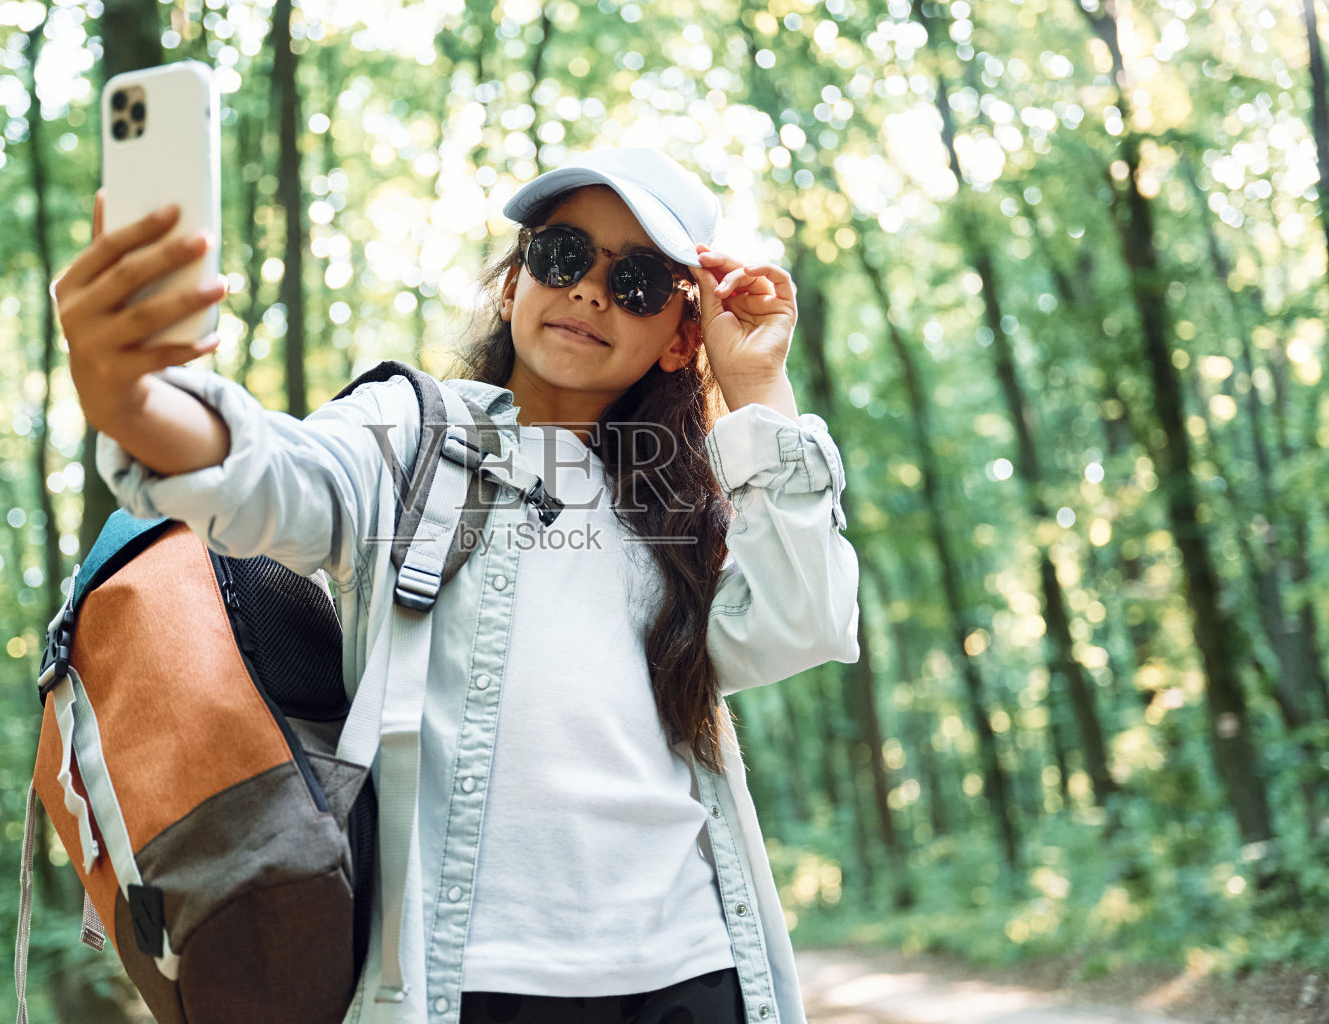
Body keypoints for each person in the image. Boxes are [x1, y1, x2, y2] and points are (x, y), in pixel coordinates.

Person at [52, 146, 861, 1024]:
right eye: (563, 256)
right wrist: (130, 393)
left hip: (696, 973)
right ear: (516, 282)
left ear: (680, 336)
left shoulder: (680, 503)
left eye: (635, 281)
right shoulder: (410, 439)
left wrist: (760, 390)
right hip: (468, 985)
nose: (590, 291)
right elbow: (263, 476)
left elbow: (803, 623)